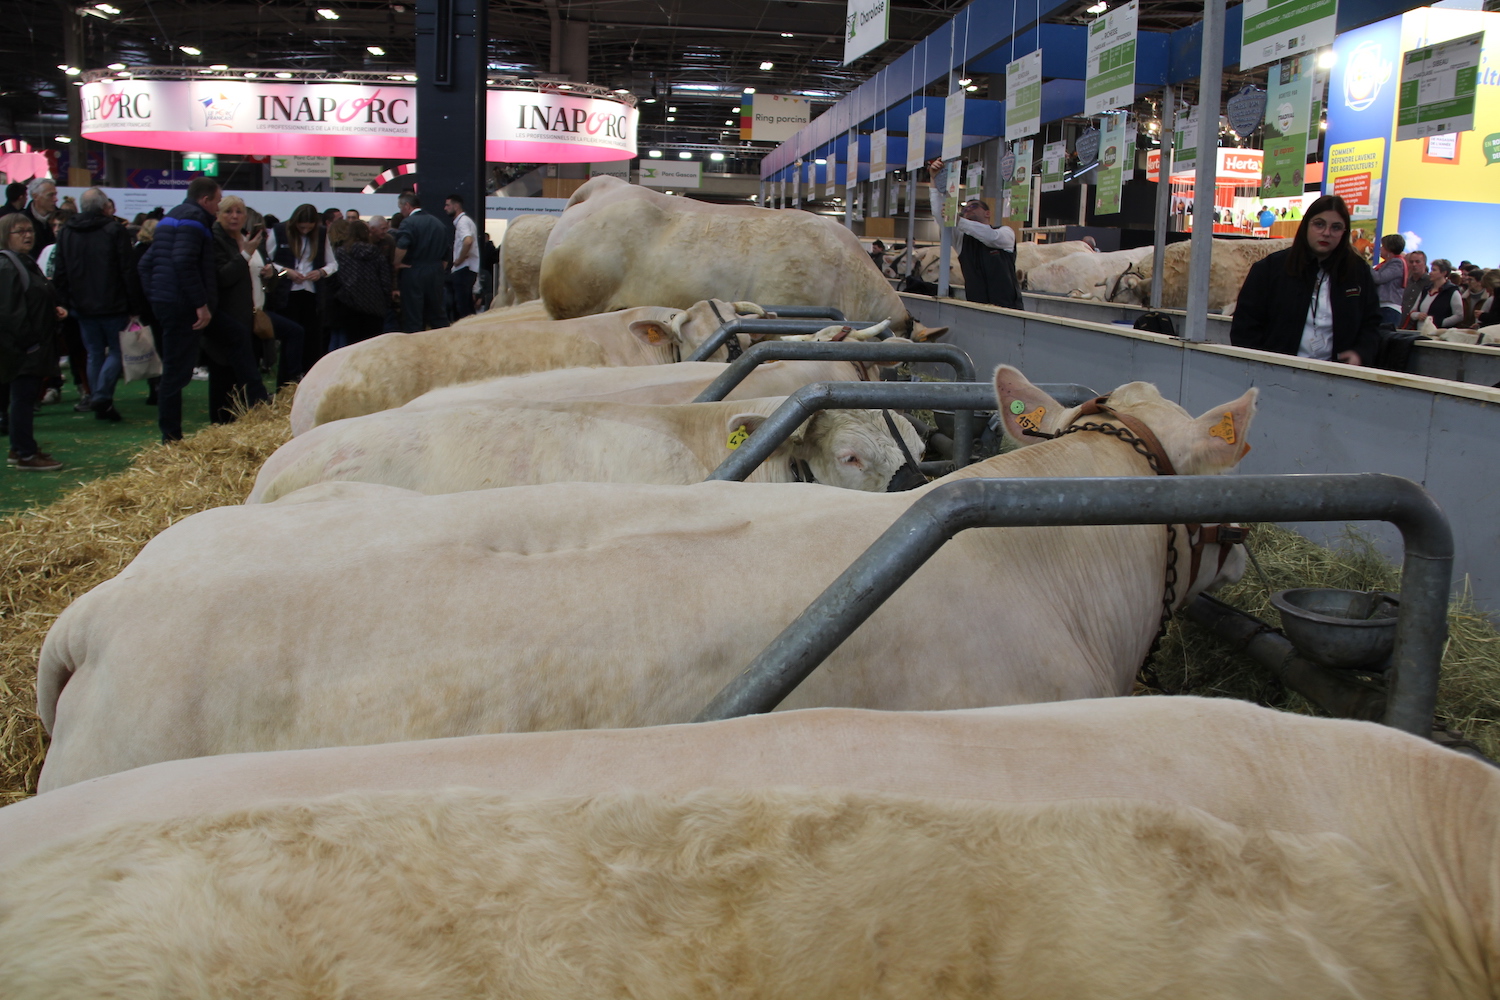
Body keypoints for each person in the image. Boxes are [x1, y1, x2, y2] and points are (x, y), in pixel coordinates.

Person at [1229, 194, 1380, 366]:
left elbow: (1372, 322)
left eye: (1336, 227)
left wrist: (1361, 353)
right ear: (1306, 225)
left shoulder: (1358, 272)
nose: (1326, 233)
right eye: (1319, 224)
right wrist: (1259, 365)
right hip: (1275, 375)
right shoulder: (1270, 269)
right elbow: (1245, 325)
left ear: (1344, 232)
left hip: (1338, 377)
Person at [138, 176, 222, 443]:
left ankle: (171, 433)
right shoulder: (195, 221)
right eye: (218, 203)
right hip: (182, 306)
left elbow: (145, 264)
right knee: (176, 371)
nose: (218, 209)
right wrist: (200, 304)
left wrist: (156, 295)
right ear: (205, 199)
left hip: (167, 303)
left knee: (176, 369)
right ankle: (170, 436)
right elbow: (184, 262)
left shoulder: (169, 219)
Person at [52, 187, 144, 423]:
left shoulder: (66, 232)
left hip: (81, 304)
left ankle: (98, 397)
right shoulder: (114, 230)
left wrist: (63, 301)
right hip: (112, 302)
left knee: (94, 353)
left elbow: (60, 270)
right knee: (115, 350)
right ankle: (102, 397)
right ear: (105, 207)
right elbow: (127, 269)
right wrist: (135, 303)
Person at [0, 212, 66, 470]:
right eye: (20, 231)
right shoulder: (7, 265)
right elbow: (9, 312)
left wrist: (52, 311)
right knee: (23, 400)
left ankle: (20, 448)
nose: (28, 235)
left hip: (30, 345)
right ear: (7, 235)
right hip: (23, 348)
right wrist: (31, 343)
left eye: (30, 230)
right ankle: (26, 454)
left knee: (24, 399)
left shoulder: (22, 261)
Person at [206, 195, 271, 424]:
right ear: (218, 215)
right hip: (224, 315)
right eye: (228, 211)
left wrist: (270, 274)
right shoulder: (214, 239)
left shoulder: (244, 238)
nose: (234, 216)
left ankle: (242, 416)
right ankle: (221, 423)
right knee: (223, 372)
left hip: (248, 314)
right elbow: (222, 277)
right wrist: (245, 254)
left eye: (239, 212)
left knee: (239, 372)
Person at [266, 203, 338, 370]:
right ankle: (288, 381)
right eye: (301, 227)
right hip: (287, 294)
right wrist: (286, 271)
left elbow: (333, 264)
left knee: (312, 340)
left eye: (309, 227)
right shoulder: (279, 231)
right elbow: (268, 261)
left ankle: (309, 375)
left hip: (312, 294)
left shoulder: (321, 234)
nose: (305, 231)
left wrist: (321, 272)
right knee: (290, 340)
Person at [393, 190, 449, 332]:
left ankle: (416, 351)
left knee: (413, 316)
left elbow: (402, 245)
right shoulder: (438, 223)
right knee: (438, 314)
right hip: (436, 271)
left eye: (400, 208)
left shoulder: (408, 223)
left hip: (414, 271)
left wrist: (396, 264)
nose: (401, 211)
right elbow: (447, 253)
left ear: (407, 205)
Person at [331, 219, 393, 347]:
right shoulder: (376, 253)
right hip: (375, 304)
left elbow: (336, 279)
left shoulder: (341, 253)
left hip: (349, 304)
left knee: (352, 345)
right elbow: (385, 280)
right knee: (372, 345)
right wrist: (386, 302)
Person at [954, 199, 1023, 310]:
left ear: (987, 213)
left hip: (1008, 310)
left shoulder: (1005, 232)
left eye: (974, 206)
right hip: (976, 310)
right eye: (965, 209)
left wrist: (959, 221)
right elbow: (941, 219)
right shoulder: (962, 242)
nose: (968, 210)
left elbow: (990, 237)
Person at [444, 193, 479, 322]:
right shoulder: (466, 221)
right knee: (466, 305)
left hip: (464, 269)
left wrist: (459, 259)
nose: (445, 208)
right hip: (467, 269)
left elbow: (468, 240)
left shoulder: (462, 222)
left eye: (448, 205)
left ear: (456, 206)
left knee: (463, 307)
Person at [1408, 258, 1465, 331]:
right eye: (1431, 270)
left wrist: (1439, 323)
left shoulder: (1451, 291)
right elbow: (1413, 312)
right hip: (1420, 332)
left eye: (1434, 270)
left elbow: (1459, 315)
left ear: (1444, 273)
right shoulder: (1426, 290)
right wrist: (1417, 315)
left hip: (1439, 334)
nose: (1430, 273)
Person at [1370, 233, 1407, 328]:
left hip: (1389, 309)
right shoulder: (1387, 263)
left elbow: (1379, 278)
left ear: (1389, 249)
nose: (1380, 249)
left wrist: (1365, 265)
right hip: (1383, 308)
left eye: (1383, 246)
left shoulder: (1396, 263)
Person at [23, 179, 58, 261]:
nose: (55, 199)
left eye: (55, 194)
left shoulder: (62, 219)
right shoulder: (22, 220)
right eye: (50, 195)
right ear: (35, 196)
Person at [1400, 249, 1428, 324]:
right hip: (1401, 323)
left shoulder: (1430, 283)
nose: (1414, 264)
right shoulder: (1405, 282)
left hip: (1419, 324)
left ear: (1424, 264)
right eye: (1411, 262)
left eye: (1417, 262)